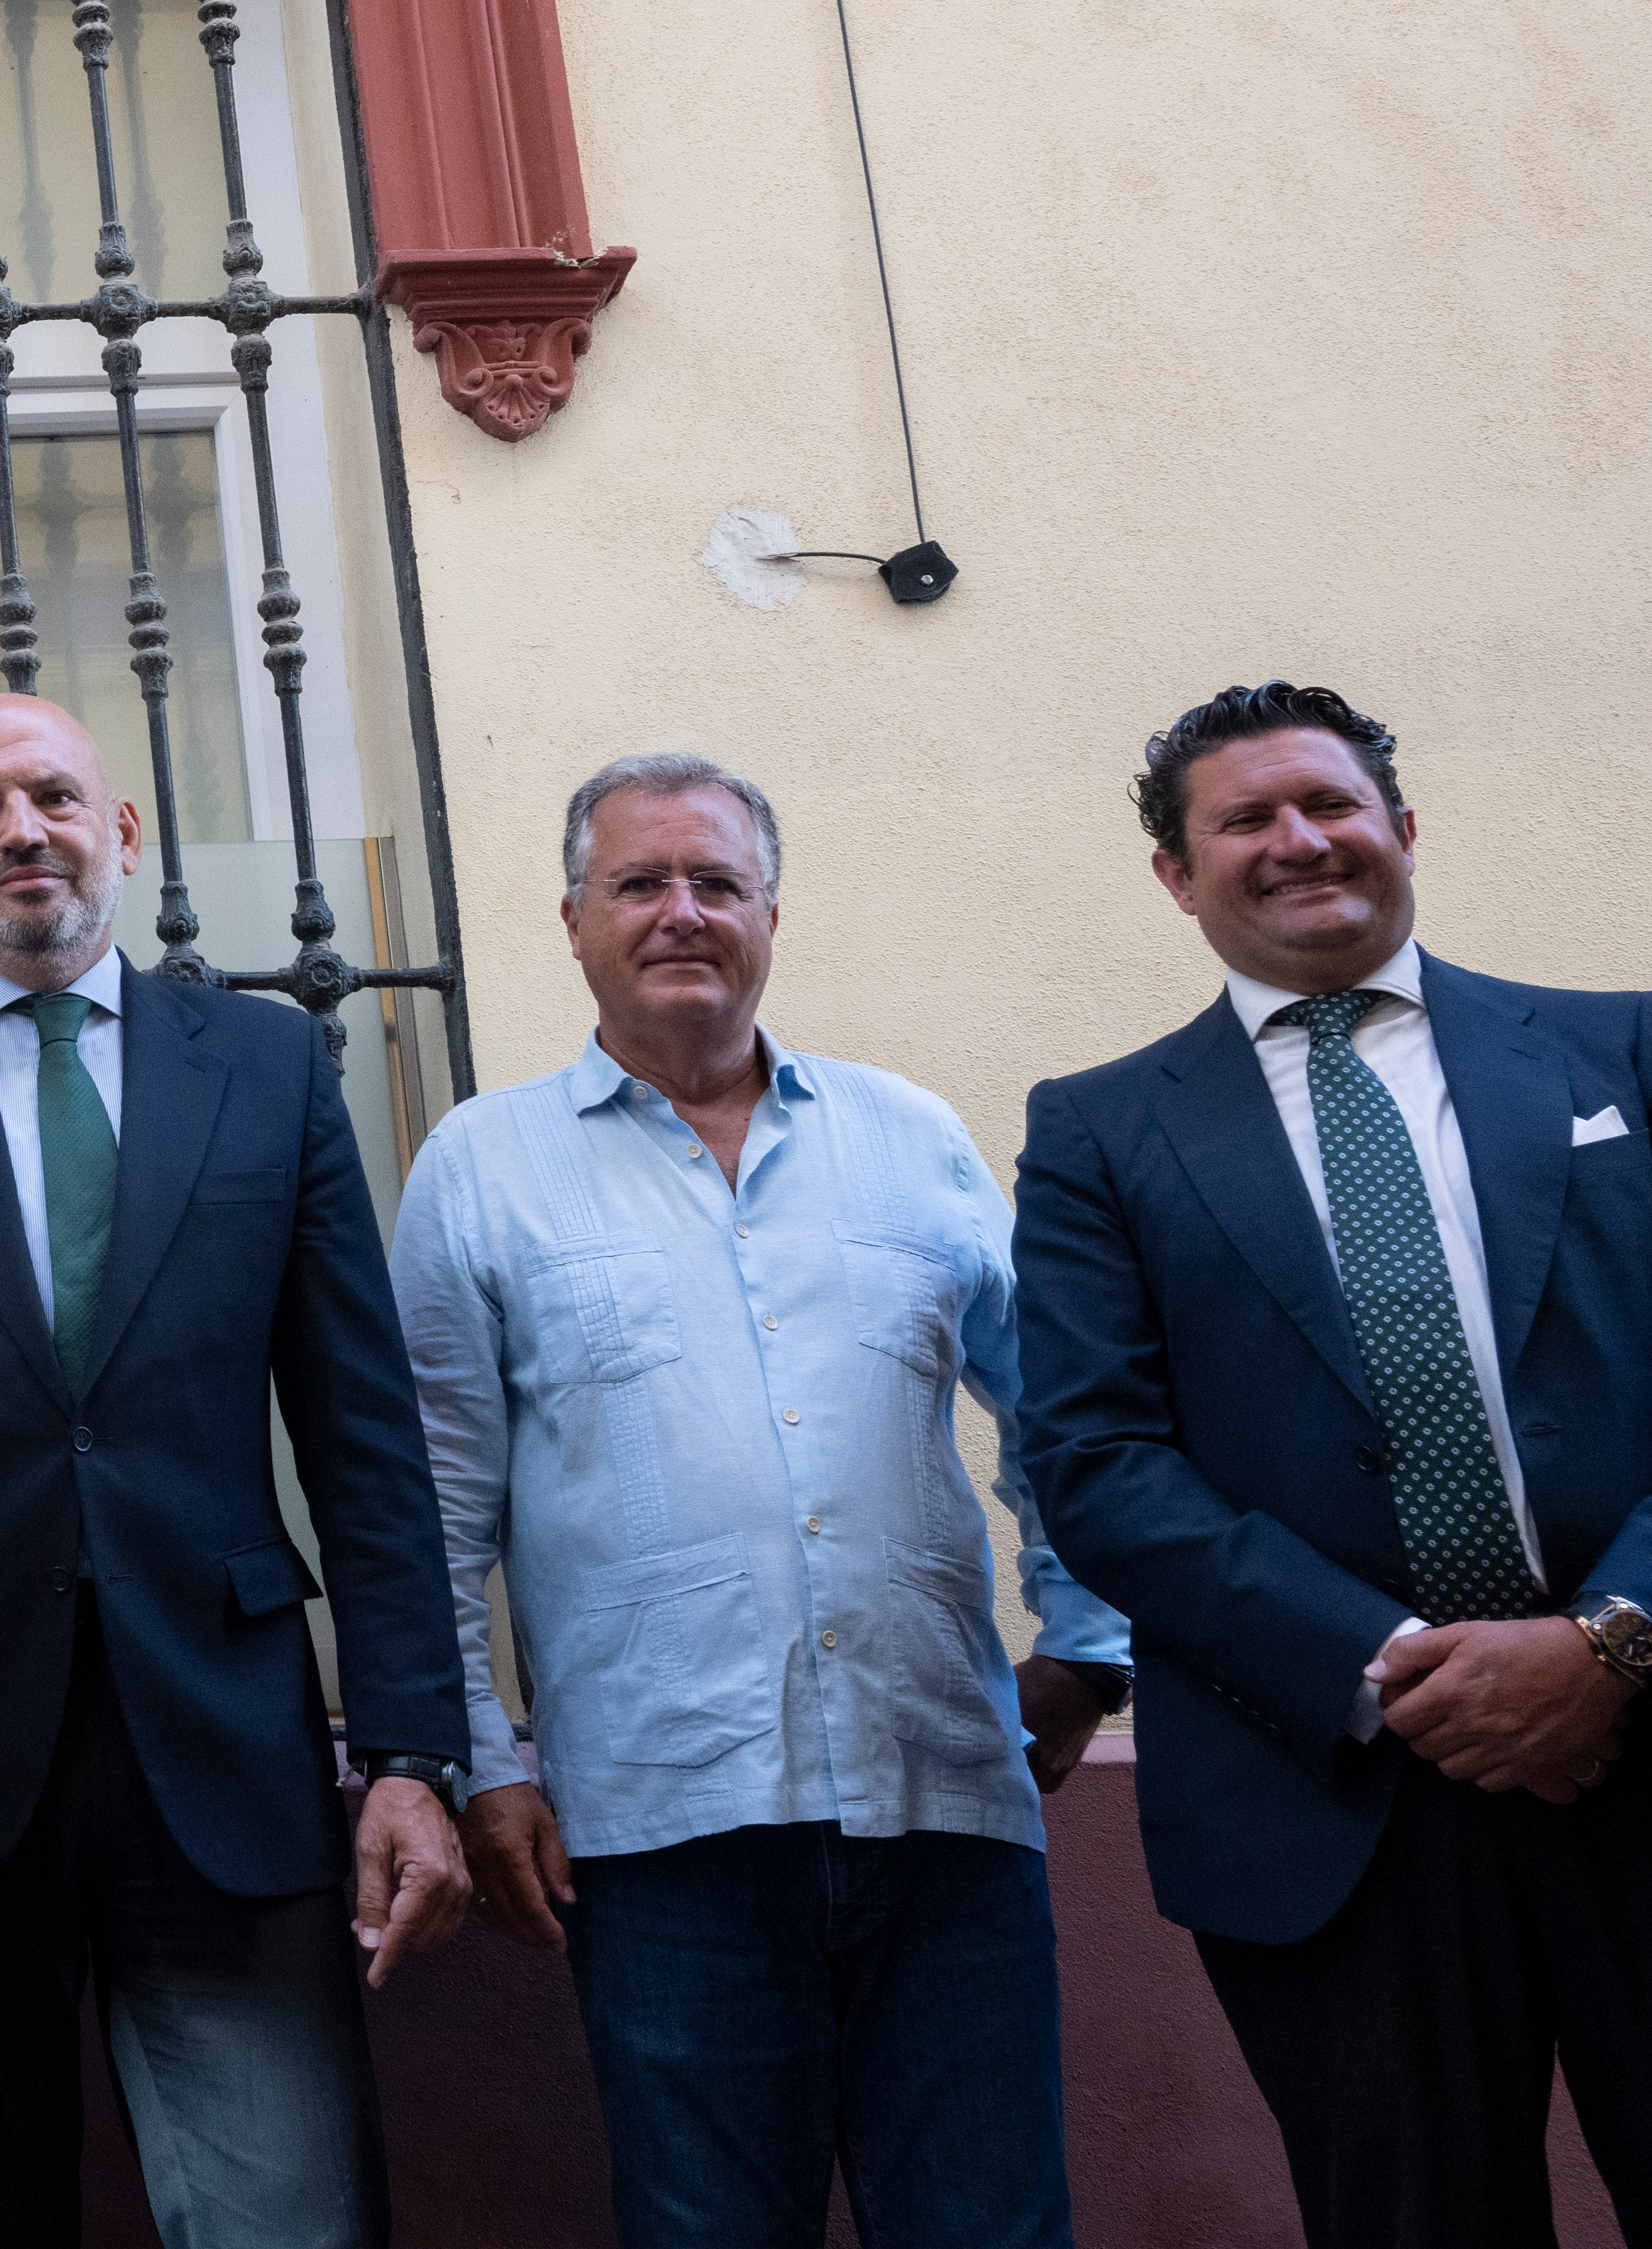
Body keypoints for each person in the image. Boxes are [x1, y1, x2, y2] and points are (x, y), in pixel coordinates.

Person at [1014, 681, 1652, 2249]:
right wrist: (1412, 1673)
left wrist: (1606, 1646)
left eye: (1331, 804)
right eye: (1246, 819)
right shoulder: (1096, 1134)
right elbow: (1098, 1464)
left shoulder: (1621, 1052)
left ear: (1403, 830)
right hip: (1339, 1798)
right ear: (1179, 873)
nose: (1299, 841)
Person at [392, 754, 1132, 2249]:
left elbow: (1062, 1405)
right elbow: (437, 1509)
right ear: (573, 919)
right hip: (661, 1831)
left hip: (947, 1805)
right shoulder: (485, 1165)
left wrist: (1092, 1637)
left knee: (992, 2224)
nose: (682, 913)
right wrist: (483, 1762)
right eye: (641, 884)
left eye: (716, 883)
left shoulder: (905, 1134)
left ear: (771, 915)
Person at [0, 693, 470, 2249]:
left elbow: (361, 1430)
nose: (19, 834)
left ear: (120, 832)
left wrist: (409, 1749)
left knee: (285, 2214)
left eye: (52, 797)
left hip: (223, 1736)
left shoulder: (260, 1063)